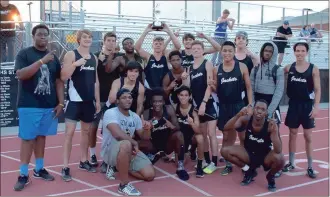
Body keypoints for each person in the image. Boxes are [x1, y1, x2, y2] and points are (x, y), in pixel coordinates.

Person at [13, 24, 64, 191]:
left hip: (48, 105)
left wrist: (61, 102)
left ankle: (39, 169)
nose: (43, 37)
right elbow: (21, 74)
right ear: (33, 36)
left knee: (42, 137)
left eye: (46, 35)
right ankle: (22, 174)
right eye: (40, 34)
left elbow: (58, 81)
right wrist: (41, 61)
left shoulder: (54, 58)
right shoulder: (24, 53)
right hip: (29, 104)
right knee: (28, 139)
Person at [60, 29, 101, 181]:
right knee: (69, 134)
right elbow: (63, 76)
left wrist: (97, 100)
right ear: (78, 39)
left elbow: (95, 81)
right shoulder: (71, 54)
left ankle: (83, 161)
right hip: (73, 102)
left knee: (86, 133)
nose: (87, 39)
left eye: (90, 37)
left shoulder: (94, 58)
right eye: (84, 37)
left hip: (88, 102)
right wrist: (76, 64)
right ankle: (65, 166)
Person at [221, 100, 285, 192]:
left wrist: (275, 132)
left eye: (262, 109)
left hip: (265, 157)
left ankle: (270, 176)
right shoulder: (246, 120)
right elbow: (226, 127)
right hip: (248, 154)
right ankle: (248, 171)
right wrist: (239, 114)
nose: (259, 111)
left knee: (280, 158)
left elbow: (278, 150)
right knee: (224, 151)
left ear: (266, 112)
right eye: (257, 108)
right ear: (253, 109)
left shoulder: (269, 125)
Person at [210, 41, 253, 176]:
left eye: (230, 51)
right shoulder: (217, 69)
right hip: (224, 107)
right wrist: (212, 86)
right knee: (226, 135)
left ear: (234, 52)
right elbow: (217, 90)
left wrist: (250, 104)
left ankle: (246, 160)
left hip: (239, 106)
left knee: (242, 135)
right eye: (225, 51)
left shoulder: (242, 66)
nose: (227, 53)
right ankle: (229, 163)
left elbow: (248, 87)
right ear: (221, 52)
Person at [101, 88, 155, 196]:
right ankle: (123, 185)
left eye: (130, 97)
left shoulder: (134, 116)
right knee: (126, 143)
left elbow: (145, 137)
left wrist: (147, 128)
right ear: (117, 101)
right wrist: (134, 143)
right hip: (111, 150)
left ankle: (119, 167)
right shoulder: (110, 112)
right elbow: (117, 134)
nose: (127, 100)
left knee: (149, 175)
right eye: (124, 97)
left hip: (128, 150)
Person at [281, 42, 321, 179]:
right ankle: (291, 163)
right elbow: (277, 75)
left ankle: (310, 166)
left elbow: (317, 89)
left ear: (307, 52)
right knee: (292, 134)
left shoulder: (313, 69)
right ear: (294, 52)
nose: (299, 53)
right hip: (293, 105)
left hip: (307, 105)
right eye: (297, 50)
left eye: (302, 51)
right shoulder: (288, 68)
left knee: (308, 136)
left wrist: (316, 107)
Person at [182, 40, 219, 175]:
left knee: (211, 134)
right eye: (194, 48)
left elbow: (209, 85)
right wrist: (184, 77)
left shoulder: (207, 64)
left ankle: (214, 162)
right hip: (197, 106)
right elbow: (188, 87)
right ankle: (206, 160)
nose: (196, 50)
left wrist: (204, 102)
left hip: (208, 103)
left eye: (198, 48)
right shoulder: (190, 67)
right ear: (191, 51)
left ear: (203, 50)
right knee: (202, 135)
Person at [137, 88, 190, 181]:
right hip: (153, 145)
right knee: (136, 142)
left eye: (160, 101)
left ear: (164, 102)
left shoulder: (169, 110)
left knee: (179, 134)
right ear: (151, 102)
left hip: (167, 144)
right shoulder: (146, 113)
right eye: (155, 102)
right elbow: (142, 135)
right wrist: (147, 127)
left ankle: (180, 167)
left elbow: (177, 127)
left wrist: (171, 126)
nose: (157, 104)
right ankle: (152, 155)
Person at [90, 32, 124, 170]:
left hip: (113, 99)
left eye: (113, 40)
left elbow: (117, 71)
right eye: (109, 40)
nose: (111, 43)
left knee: (110, 131)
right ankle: (92, 154)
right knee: (93, 128)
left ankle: (108, 159)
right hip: (97, 98)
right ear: (104, 41)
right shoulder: (96, 55)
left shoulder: (119, 57)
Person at [135, 23, 181, 109]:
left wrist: (168, 31)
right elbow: (137, 48)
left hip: (164, 91)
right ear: (152, 45)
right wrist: (146, 31)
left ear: (163, 46)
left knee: (167, 113)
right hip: (150, 90)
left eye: (160, 44)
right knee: (147, 113)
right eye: (156, 43)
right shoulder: (148, 56)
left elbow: (178, 46)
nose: (158, 45)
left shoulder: (166, 57)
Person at [175, 85, 205, 177]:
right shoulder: (175, 108)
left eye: (186, 95)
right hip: (181, 139)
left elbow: (198, 131)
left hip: (192, 137)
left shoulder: (193, 110)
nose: (183, 97)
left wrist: (192, 123)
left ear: (189, 97)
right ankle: (188, 151)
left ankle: (199, 165)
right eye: (181, 95)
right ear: (178, 96)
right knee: (179, 163)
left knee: (200, 138)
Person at [234, 31, 260, 106]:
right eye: (238, 38)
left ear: (247, 41)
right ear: (235, 41)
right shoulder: (231, 55)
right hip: (233, 88)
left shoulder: (251, 56)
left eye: (243, 38)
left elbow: (260, 63)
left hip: (247, 89)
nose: (241, 40)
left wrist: (251, 54)